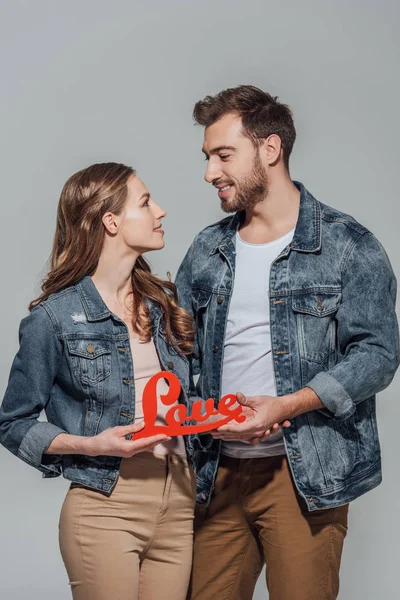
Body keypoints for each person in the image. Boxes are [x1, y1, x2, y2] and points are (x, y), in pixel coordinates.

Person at [175, 85, 400, 600]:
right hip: (215, 472)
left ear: (270, 149)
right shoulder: (207, 250)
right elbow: (176, 350)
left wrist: (288, 405)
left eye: (223, 155)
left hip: (304, 478)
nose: (210, 172)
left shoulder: (348, 246)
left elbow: (378, 355)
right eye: (208, 157)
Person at [0, 162, 198, 600]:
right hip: (106, 505)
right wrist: (92, 445)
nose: (160, 211)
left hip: (181, 499)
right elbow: (12, 423)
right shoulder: (51, 320)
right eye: (145, 202)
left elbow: (191, 401)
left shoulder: (166, 305)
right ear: (111, 221)